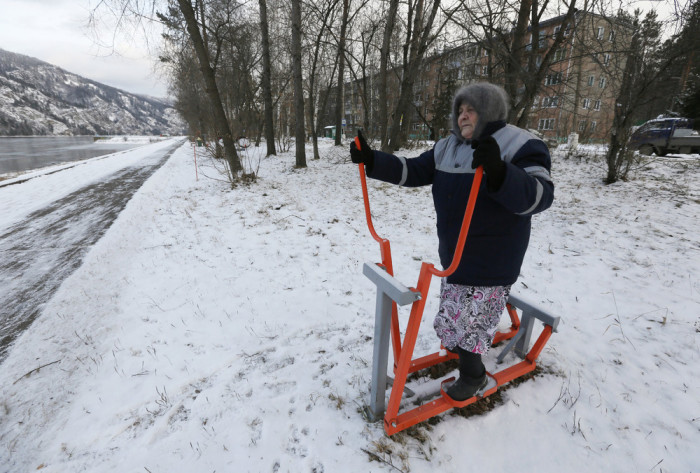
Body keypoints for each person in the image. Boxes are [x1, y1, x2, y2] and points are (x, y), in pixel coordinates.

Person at [350, 82, 554, 401]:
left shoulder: (521, 143)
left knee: (468, 329)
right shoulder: (448, 147)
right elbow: (413, 170)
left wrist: (500, 171)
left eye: (470, 109)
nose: (463, 116)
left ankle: (475, 376)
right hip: (456, 256)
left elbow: (540, 196)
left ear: (488, 112)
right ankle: (466, 357)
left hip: (493, 258)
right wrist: (371, 159)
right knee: (450, 321)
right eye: (459, 110)